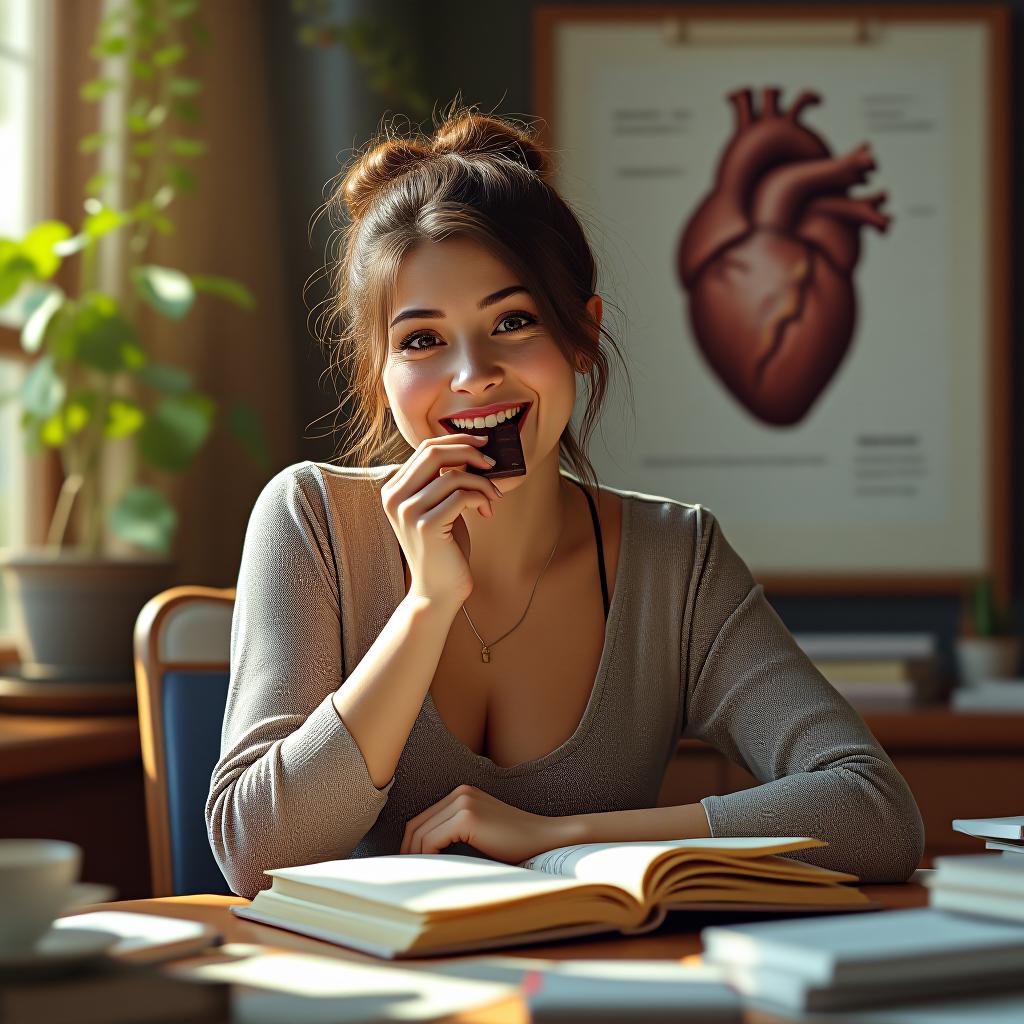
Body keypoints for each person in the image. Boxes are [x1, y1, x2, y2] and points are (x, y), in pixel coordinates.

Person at [206, 100, 925, 902]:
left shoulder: (675, 560)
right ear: (379, 373)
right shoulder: (310, 521)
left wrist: (562, 837)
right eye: (421, 340)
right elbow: (254, 851)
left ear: (582, 336)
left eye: (512, 321)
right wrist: (427, 606)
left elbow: (875, 813)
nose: (471, 373)